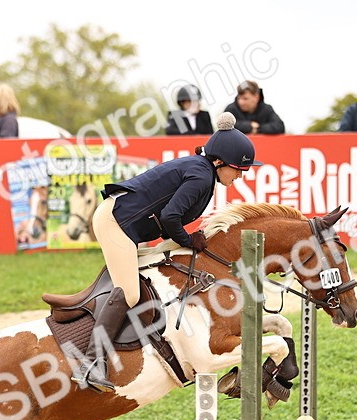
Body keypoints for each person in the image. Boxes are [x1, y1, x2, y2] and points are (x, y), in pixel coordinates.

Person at [76, 113, 259, 392]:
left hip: (126, 224)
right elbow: (171, 217)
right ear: (219, 162)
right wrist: (189, 239)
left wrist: (187, 240)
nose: (240, 175)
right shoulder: (201, 176)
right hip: (115, 223)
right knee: (130, 294)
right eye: (238, 169)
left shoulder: (203, 172)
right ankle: (90, 363)